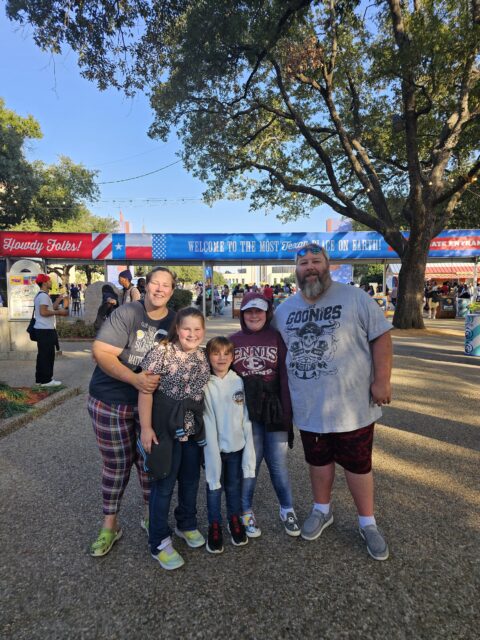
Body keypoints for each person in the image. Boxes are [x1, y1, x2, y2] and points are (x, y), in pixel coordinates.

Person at [272, 243, 392, 561]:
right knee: (318, 462)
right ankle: (322, 510)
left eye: (316, 261)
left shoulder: (356, 298)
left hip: (352, 407)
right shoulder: (283, 311)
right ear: (295, 270)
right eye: (303, 262)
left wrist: (382, 380)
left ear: (328, 264)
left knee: (358, 466)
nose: (310, 267)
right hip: (309, 408)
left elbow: (381, 336)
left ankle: (368, 523)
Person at [88, 267, 176, 557]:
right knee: (116, 466)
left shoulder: (175, 321)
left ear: (172, 291)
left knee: (149, 464)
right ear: (146, 286)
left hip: (151, 405)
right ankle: (110, 525)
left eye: (166, 286)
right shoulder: (127, 313)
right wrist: (135, 379)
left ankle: (151, 516)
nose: (160, 290)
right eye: (156, 284)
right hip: (111, 400)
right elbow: (101, 352)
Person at [138, 307, 211, 571]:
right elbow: (146, 392)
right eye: (186, 328)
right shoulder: (162, 352)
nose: (192, 334)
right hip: (165, 428)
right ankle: (158, 539)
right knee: (164, 484)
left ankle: (186, 523)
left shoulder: (203, 355)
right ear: (177, 329)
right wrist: (146, 428)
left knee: (190, 480)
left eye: (197, 329)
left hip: (191, 429)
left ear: (203, 330)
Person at [230, 292, 300, 539]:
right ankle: (245, 510)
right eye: (249, 311)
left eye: (259, 311)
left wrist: (287, 415)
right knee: (250, 463)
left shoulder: (277, 338)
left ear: (267, 313)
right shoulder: (232, 341)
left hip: (274, 409)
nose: (254, 315)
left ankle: (287, 508)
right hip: (247, 412)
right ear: (242, 313)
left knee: (278, 464)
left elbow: (284, 376)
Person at [203, 337, 255, 554]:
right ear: (208, 357)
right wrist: (212, 451)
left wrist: (248, 449)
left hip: (235, 449)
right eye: (216, 353)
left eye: (226, 353)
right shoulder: (205, 384)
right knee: (214, 487)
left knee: (233, 487)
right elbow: (208, 420)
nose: (222, 358)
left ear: (233, 357)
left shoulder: (239, 382)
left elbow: (245, 418)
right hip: (214, 449)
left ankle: (234, 519)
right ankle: (214, 524)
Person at [33, 273, 69, 387]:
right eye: (49, 281)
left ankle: (40, 379)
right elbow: (43, 312)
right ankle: (47, 380)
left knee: (42, 355)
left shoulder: (41, 295)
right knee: (47, 355)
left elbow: (49, 308)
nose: (51, 282)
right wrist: (59, 312)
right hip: (45, 330)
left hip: (42, 330)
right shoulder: (43, 296)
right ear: (44, 283)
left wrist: (58, 301)